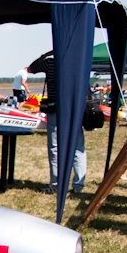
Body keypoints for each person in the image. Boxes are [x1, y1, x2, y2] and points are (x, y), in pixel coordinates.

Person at [28, 50, 85, 194]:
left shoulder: (50, 63)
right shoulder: (77, 63)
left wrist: (44, 56)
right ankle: (78, 185)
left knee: (55, 147)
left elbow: (31, 68)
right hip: (74, 107)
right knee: (78, 147)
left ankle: (56, 183)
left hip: (55, 108)